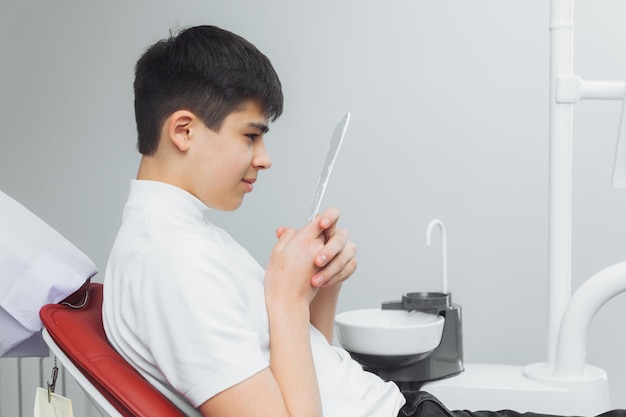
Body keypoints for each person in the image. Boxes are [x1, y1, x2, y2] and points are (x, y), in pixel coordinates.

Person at [102, 25, 625, 417]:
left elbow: (308, 370)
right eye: (251, 135)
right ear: (184, 131)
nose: (264, 158)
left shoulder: (185, 240)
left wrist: (317, 289)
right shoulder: (169, 260)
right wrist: (284, 298)